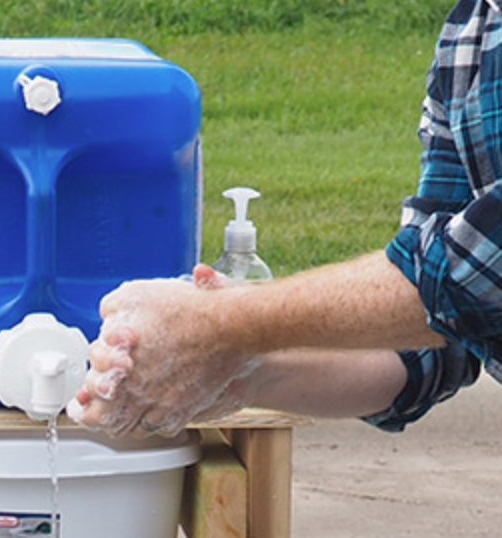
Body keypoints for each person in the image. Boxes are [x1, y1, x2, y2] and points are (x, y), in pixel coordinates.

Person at [69, 0, 502, 438]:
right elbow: (440, 335)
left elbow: (479, 273)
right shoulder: (470, 30)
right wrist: (240, 371)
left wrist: (223, 325)